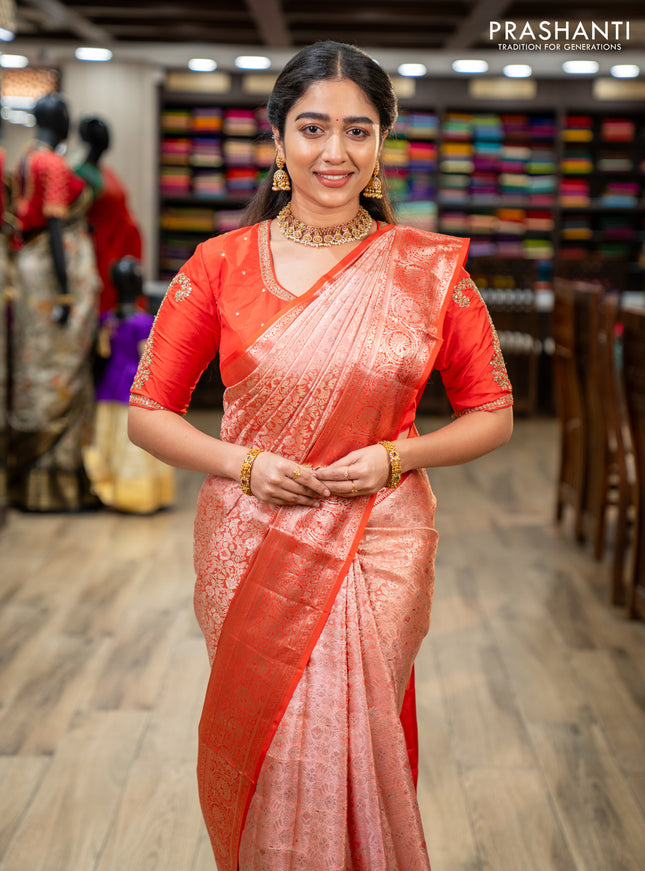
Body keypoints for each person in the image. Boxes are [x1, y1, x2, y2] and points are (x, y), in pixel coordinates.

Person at [128, 41, 513, 871]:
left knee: (361, 735)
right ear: (276, 138)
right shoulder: (219, 265)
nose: (333, 152)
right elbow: (146, 413)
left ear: (383, 141)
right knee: (271, 742)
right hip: (251, 535)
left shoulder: (428, 270)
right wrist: (241, 463)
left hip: (380, 543)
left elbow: (493, 412)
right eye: (311, 128)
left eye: (356, 130)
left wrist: (396, 458)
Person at [9, 92, 100, 511]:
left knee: (37, 362)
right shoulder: (52, 164)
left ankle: (34, 480)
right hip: (52, 274)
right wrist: (65, 292)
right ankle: (55, 482)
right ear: (61, 118)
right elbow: (55, 223)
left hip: (30, 269)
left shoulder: (26, 157)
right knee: (59, 369)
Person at [84, 256, 174, 513]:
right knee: (133, 442)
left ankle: (110, 490)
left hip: (109, 386)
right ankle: (138, 495)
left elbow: (102, 354)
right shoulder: (143, 322)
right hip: (134, 388)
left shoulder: (107, 319)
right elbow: (148, 357)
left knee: (109, 437)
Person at [75, 116, 143, 315]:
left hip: (122, 244)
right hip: (102, 248)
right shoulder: (81, 174)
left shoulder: (104, 171)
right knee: (105, 299)